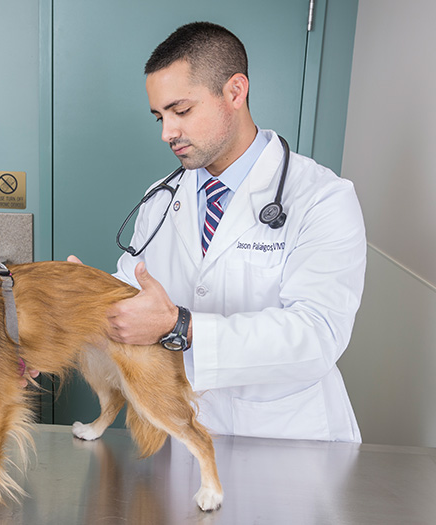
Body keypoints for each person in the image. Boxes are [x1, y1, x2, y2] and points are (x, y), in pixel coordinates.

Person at [78, 22, 366, 442]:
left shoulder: (323, 198)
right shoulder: (160, 200)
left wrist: (181, 327)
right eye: (160, 116)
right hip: (186, 431)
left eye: (181, 111)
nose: (166, 133)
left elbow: (317, 335)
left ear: (235, 91)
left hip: (288, 440)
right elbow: (136, 291)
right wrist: (86, 296)